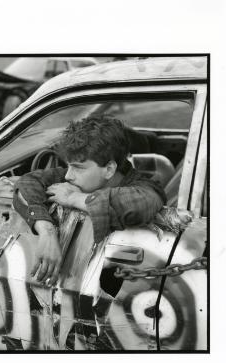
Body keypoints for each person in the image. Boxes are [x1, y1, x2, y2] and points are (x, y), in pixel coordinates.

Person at [13, 115, 166, 285]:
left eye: (78, 167)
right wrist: (47, 232)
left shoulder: (145, 188)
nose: (67, 175)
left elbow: (140, 202)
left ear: (109, 169)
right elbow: (27, 183)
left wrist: (74, 198)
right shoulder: (76, 176)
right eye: (68, 165)